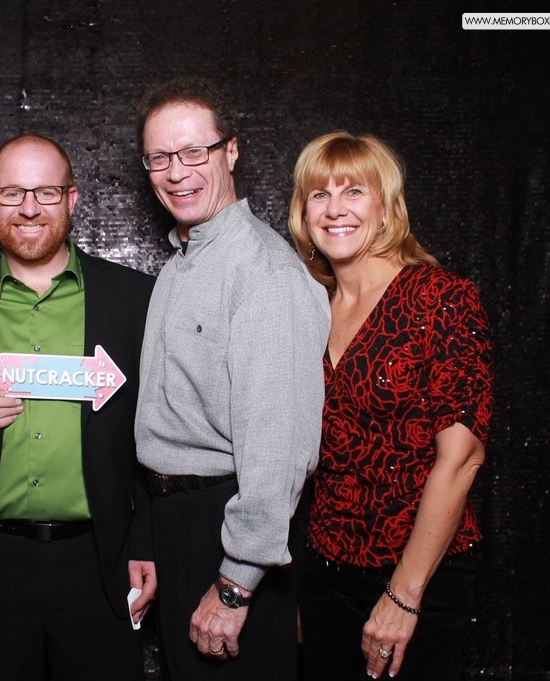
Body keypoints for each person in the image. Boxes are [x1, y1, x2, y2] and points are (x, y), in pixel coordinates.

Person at [0, 133, 156, 681]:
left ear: (72, 199)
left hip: (99, 564)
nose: (29, 208)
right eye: (12, 193)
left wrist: (146, 542)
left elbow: (157, 430)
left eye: (46, 192)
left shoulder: (134, 298)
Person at [134, 77, 330, 680]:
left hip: (230, 530)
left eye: (194, 151)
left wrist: (235, 585)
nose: (177, 172)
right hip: (179, 525)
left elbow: (279, 448)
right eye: (160, 157)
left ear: (231, 151)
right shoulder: (180, 264)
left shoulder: (263, 271)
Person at [287, 131, 494, 680]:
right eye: (319, 194)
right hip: (323, 572)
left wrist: (404, 596)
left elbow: (462, 459)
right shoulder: (308, 308)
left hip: (419, 575)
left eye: (353, 191)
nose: (335, 209)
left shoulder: (440, 299)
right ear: (303, 213)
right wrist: (297, 586)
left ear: (386, 208)